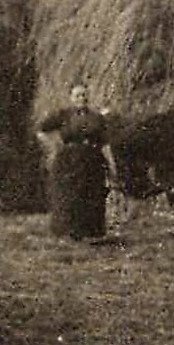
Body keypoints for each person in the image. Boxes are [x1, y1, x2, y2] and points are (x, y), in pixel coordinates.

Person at [35, 82, 117, 241]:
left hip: (92, 160)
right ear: (71, 98)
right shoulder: (63, 115)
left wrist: (111, 163)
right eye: (78, 95)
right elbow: (41, 130)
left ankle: (91, 233)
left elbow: (105, 143)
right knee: (70, 195)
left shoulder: (97, 118)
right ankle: (68, 233)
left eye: (84, 95)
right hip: (69, 161)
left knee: (92, 194)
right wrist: (54, 146)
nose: (82, 98)